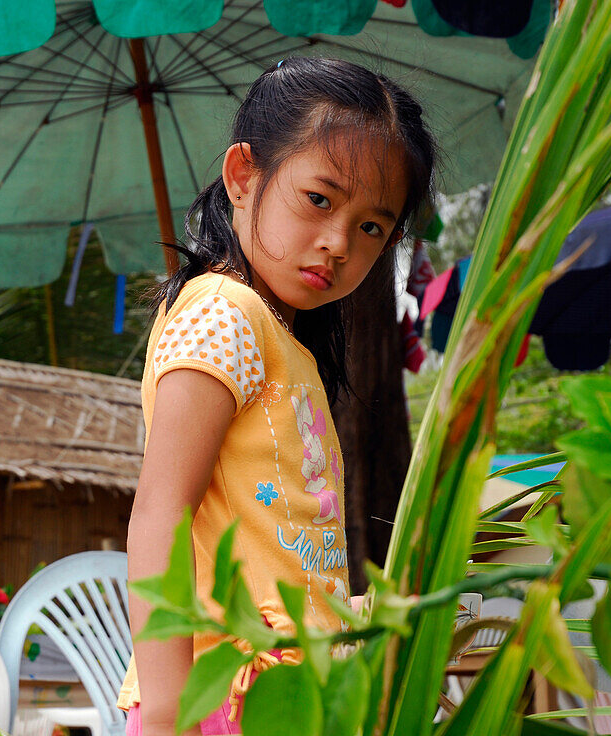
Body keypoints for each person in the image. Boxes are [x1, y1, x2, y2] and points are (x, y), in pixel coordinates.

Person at [117, 56, 437, 736]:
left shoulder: (280, 337)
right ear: (243, 176)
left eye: (372, 227)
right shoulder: (222, 312)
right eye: (319, 199)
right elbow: (161, 513)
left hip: (290, 693)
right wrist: (170, 710)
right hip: (223, 695)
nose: (336, 244)